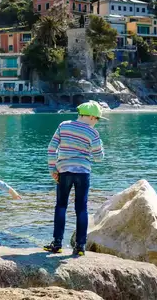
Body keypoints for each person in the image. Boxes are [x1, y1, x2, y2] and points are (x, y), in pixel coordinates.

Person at [44, 101, 106, 256]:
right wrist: (98, 145)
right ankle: (80, 247)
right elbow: (99, 158)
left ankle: (57, 244)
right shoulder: (92, 133)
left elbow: (52, 148)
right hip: (83, 173)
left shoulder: (64, 125)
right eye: (97, 119)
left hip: (64, 171)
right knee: (81, 209)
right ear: (92, 117)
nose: (97, 122)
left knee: (61, 206)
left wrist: (53, 168)